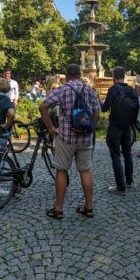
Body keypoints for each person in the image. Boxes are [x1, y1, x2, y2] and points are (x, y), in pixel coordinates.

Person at [39, 64, 100, 219]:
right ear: (80, 74)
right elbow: (97, 113)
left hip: (66, 137)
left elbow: (43, 106)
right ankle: (89, 207)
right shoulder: (89, 90)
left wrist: (51, 127)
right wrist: (91, 128)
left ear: (66, 75)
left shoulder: (62, 89)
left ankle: (58, 209)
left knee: (61, 170)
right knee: (85, 171)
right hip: (85, 138)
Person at [102, 66, 139, 194]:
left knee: (116, 155)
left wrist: (100, 101)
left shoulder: (113, 89)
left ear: (113, 78)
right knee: (128, 154)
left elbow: (104, 108)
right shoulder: (131, 90)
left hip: (115, 126)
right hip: (127, 126)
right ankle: (129, 181)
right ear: (124, 76)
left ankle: (120, 186)